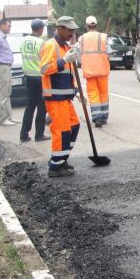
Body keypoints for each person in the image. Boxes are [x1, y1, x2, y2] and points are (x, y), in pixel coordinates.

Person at [40, 16, 81, 177]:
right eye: (69, 30)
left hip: (65, 97)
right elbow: (44, 69)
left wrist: (76, 91)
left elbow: (68, 73)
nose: (72, 33)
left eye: (73, 30)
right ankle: (55, 167)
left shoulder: (65, 46)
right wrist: (64, 60)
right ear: (59, 28)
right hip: (55, 97)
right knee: (62, 131)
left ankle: (62, 158)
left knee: (74, 126)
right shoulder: (51, 45)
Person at [19, 19, 50, 143]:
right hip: (40, 77)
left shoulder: (24, 40)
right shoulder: (42, 43)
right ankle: (39, 134)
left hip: (28, 77)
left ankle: (24, 134)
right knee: (42, 106)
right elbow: (46, 59)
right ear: (41, 29)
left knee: (30, 106)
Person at [77, 15, 111, 127]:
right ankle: (104, 117)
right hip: (102, 70)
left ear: (86, 26)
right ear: (96, 25)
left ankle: (97, 118)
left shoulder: (81, 38)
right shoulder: (103, 37)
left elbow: (78, 54)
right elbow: (109, 52)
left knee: (93, 94)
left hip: (89, 71)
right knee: (103, 94)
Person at [0, 18, 19, 126]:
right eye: (8, 26)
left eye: (10, 26)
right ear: (2, 25)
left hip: (6, 68)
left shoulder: (3, 38)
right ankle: (2, 118)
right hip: (1, 68)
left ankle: (9, 117)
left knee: (7, 93)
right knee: (2, 94)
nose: (10, 28)